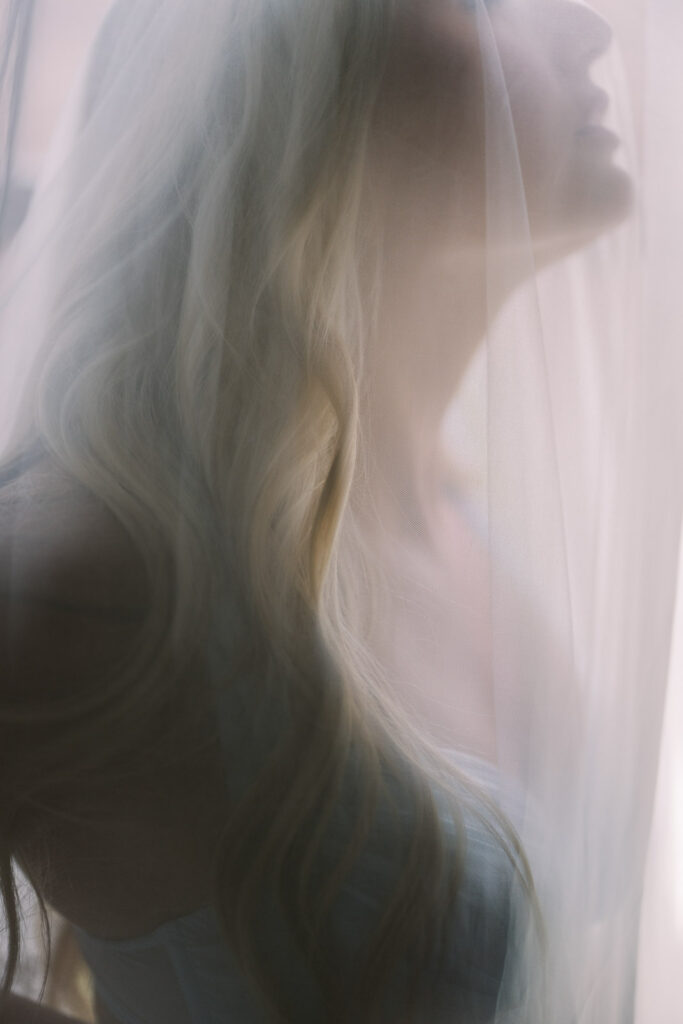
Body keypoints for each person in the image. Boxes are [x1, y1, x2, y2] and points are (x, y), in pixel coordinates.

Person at [0, 1, 679, 1022]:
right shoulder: (111, 565)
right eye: (480, 1)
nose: (583, 30)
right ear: (276, 58)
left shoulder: (469, 525)